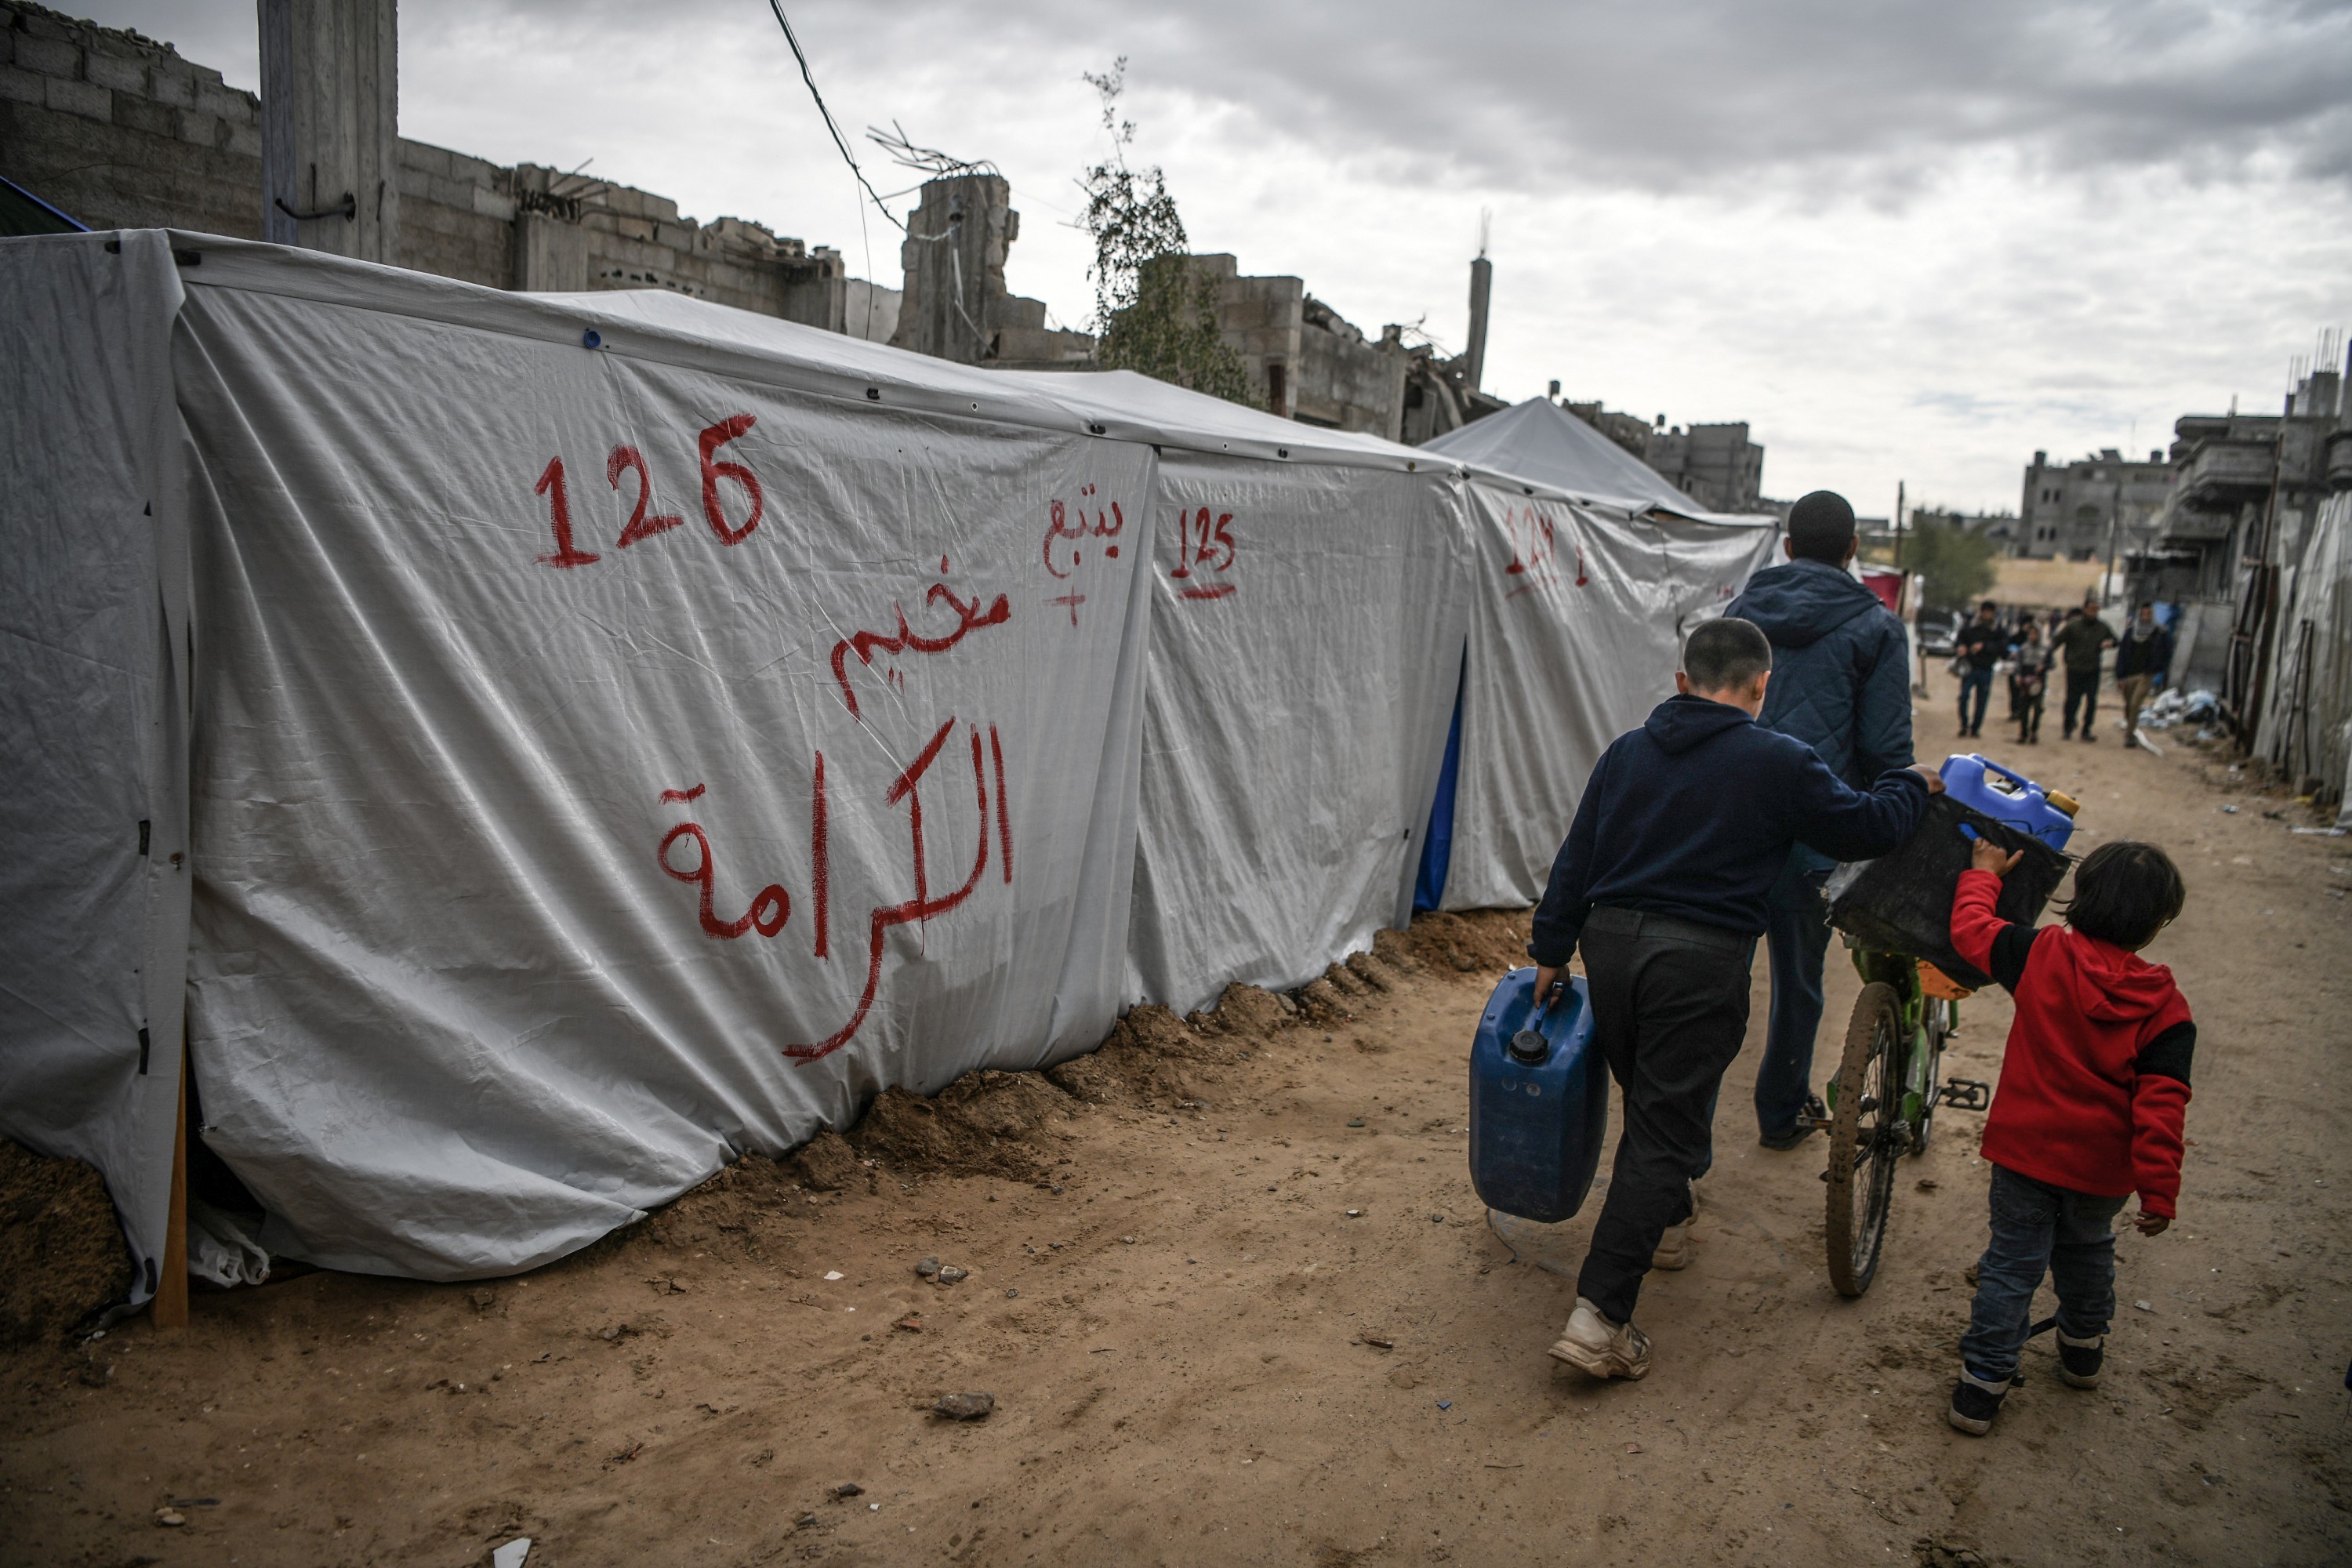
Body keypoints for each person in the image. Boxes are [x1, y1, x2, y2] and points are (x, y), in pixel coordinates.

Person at [1526, 618, 1943, 1381]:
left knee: (1654, 1103)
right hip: (1700, 960)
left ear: (1681, 681)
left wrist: (1551, 950)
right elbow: (1869, 825)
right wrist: (1912, 783)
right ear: (1762, 686)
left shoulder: (1627, 751)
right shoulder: (1779, 760)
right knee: (1661, 1125)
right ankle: (1600, 1318)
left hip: (1611, 948)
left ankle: (1671, 1217)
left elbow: (1575, 856)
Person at [1942, 837, 2193, 1436]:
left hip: (2024, 1156)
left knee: (2010, 1267)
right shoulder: (2167, 1009)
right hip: (2101, 1173)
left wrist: (1983, 873)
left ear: (2078, 897)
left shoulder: (2039, 954)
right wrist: (2159, 1192)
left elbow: (1971, 929)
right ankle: (2082, 1349)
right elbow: (2163, 1109)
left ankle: (1982, 1388)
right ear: (2158, 923)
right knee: (2088, 1250)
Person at [1726, 489, 1915, 1151]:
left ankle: (1681, 1132)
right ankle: (1780, 1116)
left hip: (1732, 829)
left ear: (1787, 546)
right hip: (1814, 834)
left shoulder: (1741, 612)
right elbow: (1887, 750)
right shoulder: (1878, 627)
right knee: (1799, 983)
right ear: (1854, 551)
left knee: (1714, 974)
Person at [2052, 598, 2116, 741]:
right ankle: (2067, 728)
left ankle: (2086, 730)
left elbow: (2115, 640)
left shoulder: (2102, 627)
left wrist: (2110, 643)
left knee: (2091, 701)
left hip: (2092, 670)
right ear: (2085, 609)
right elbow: (2057, 641)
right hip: (2074, 669)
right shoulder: (2073, 626)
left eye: (2096, 610)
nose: (2094, 613)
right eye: (2092, 609)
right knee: (2072, 700)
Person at [2114, 604, 2173, 749]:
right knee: (2129, 706)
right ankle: (2131, 729)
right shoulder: (2131, 632)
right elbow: (2122, 654)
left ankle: (2129, 736)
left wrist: (2158, 668)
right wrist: (2120, 676)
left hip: (2146, 675)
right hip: (2129, 675)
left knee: (2135, 704)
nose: (2146, 617)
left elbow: (2167, 652)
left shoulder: (2160, 632)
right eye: (2144, 613)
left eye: (2149, 614)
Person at [1953, 601, 2006, 738]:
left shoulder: (1997, 629)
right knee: (1964, 696)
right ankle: (1964, 724)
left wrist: (1984, 646)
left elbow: (2002, 646)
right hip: (1969, 667)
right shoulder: (1970, 626)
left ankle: (1975, 728)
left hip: (1986, 668)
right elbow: (1959, 639)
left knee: (1981, 701)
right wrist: (1961, 647)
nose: (1988, 615)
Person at [2009, 619, 2051, 745]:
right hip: (2025, 680)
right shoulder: (2023, 648)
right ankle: (2023, 733)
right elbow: (2018, 665)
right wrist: (2018, 676)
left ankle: (2034, 732)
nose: (2033, 636)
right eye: (2031, 634)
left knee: (2038, 708)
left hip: (2039, 681)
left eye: (2035, 634)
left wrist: (2043, 667)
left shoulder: (2045, 649)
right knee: (2024, 708)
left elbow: (2052, 664)